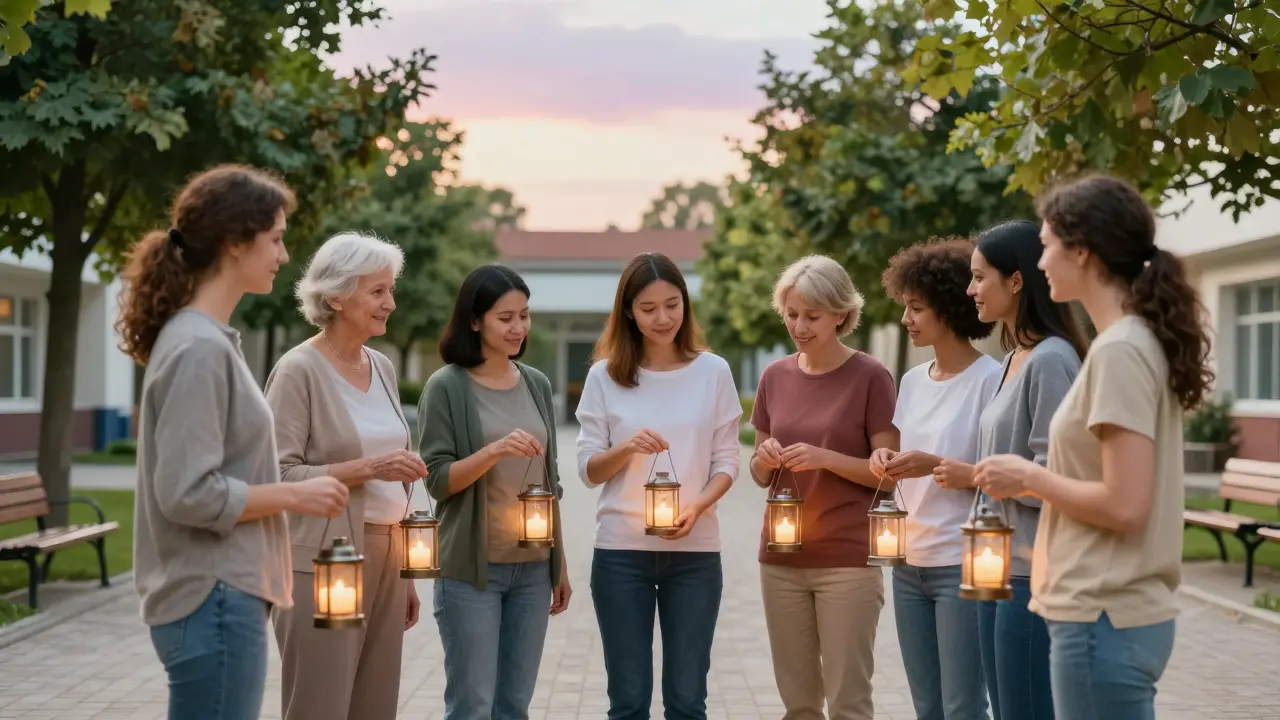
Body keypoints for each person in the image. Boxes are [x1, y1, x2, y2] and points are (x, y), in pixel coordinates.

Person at [975, 175, 1213, 720]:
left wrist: (1027, 476)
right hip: (1113, 613)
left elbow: (1125, 505)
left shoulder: (1120, 352)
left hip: (1102, 617)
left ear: (1081, 251)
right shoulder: (1130, 344)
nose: (1040, 262)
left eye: (1049, 246)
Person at [117, 164, 350, 720]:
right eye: (275, 238)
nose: (283, 255)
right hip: (213, 598)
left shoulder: (203, 340)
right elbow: (188, 493)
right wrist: (297, 493)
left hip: (220, 598)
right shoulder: (198, 348)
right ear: (233, 242)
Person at [264, 232, 429, 720]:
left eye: (390, 289)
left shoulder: (381, 366)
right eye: (377, 291)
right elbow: (276, 474)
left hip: (387, 554)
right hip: (325, 562)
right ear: (336, 295)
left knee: (376, 705)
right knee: (320, 704)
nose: (390, 303)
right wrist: (369, 469)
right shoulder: (298, 370)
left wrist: (407, 579)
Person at [575, 252, 741, 720]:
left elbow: (727, 459)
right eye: (648, 308)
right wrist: (626, 448)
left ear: (685, 305)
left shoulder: (714, 372)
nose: (663, 317)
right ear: (628, 311)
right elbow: (588, 470)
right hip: (619, 555)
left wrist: (699, 508)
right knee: (627, 702)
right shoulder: (603, 377)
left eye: (673, 304)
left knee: (688, 701)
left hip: (696, 555)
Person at [932, 220, 1087, 720]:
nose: (970, 289)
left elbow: (1058, 478)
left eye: (980, 277)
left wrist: (987, 476)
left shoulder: (1051, 361)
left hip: (1031, 572)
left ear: (1016, 281)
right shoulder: (1013, 359)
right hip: (994, 568)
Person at [749, 255, 900, 720]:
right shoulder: (774, 377)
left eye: (812, 316)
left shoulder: (871, 376)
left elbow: (890, 475)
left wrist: (825, 458)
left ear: (841, 313)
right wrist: (764, 458)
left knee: (848, 703)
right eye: (792, 314)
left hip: (848, 563)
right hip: (781, 558)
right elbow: (758, 472)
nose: (799, 325)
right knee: (797, 705)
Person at [419, 264, 572, 720]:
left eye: (524, 316)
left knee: (514, 706)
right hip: (470, 573)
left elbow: (552, 483)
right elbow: (437, 479)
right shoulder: (446, 386)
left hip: (531, 570)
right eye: (505, 318)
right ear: (474, 320)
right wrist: (493, 452)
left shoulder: (537, 384)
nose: (518, 327)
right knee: (472, 706)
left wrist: (558, 564)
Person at [869, 239, 1000, 720]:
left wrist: (935, 465)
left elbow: (997, 473)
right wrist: (887, 458)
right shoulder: (912, 381)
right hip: (909, 562)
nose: (906, 319)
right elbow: (906, 457)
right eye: (906, 306)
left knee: (963, 706)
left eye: (916, 308)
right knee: (927, 706)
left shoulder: (992, 379)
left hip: (962, 564)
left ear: (948, 307)